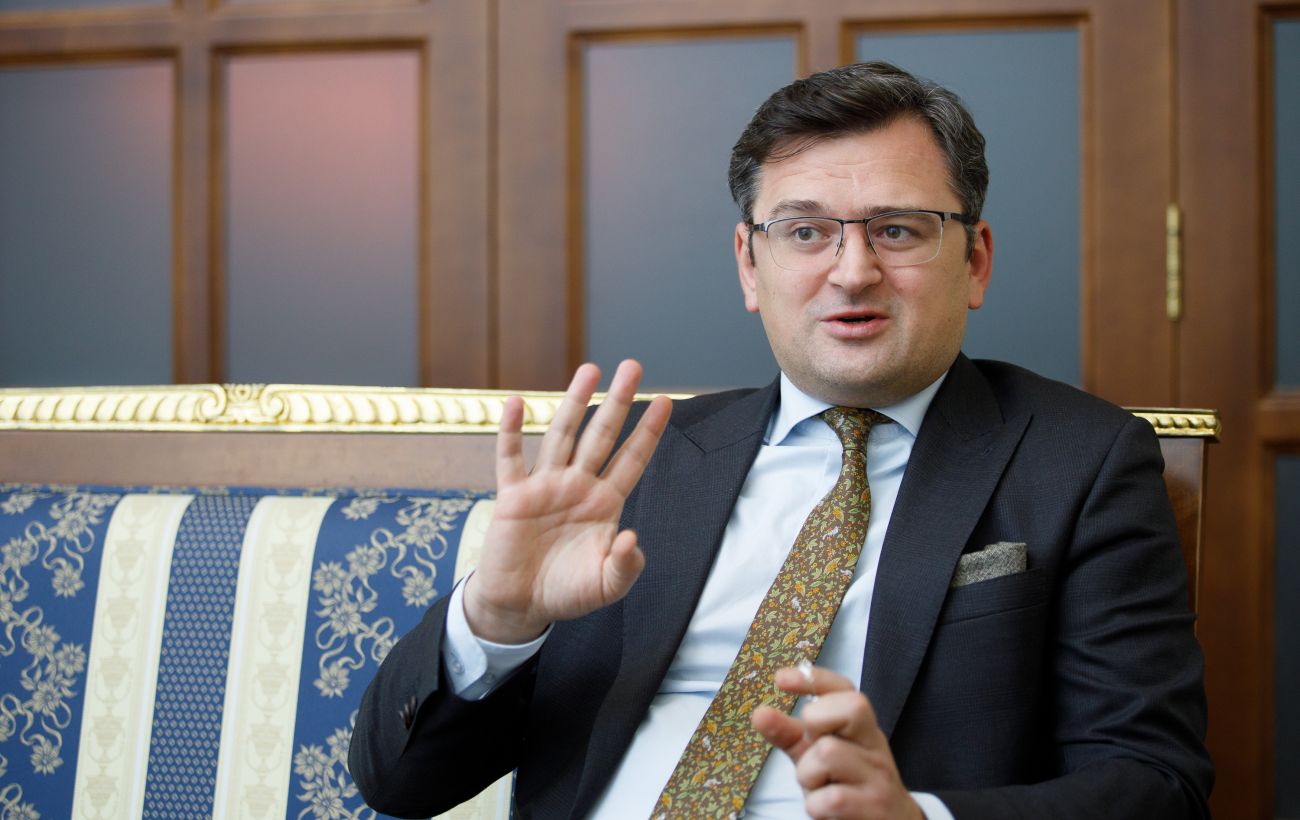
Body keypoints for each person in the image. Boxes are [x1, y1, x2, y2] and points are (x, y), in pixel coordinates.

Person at [348, 61, 1212, 819]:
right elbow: (400, 784)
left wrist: (916, 818)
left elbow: (1156, 785)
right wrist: (500, 618)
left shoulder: (1081, 462)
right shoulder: (635, 464)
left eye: (898, 229)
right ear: (748, 265)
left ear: (975, 260)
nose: (853, 271)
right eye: (805, 231)